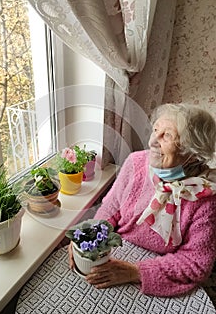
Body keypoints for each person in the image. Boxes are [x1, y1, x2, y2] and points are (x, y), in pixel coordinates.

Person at [69, 103, 216, 297]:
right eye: (156, 130)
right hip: (118, 251)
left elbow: (196, 262)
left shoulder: (204, 197)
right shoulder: (135, 162)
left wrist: (137, 272)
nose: (153, 142)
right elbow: (112, 207)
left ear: (193, 153)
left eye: (167, 136)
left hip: (157, 267)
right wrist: (88, 237)